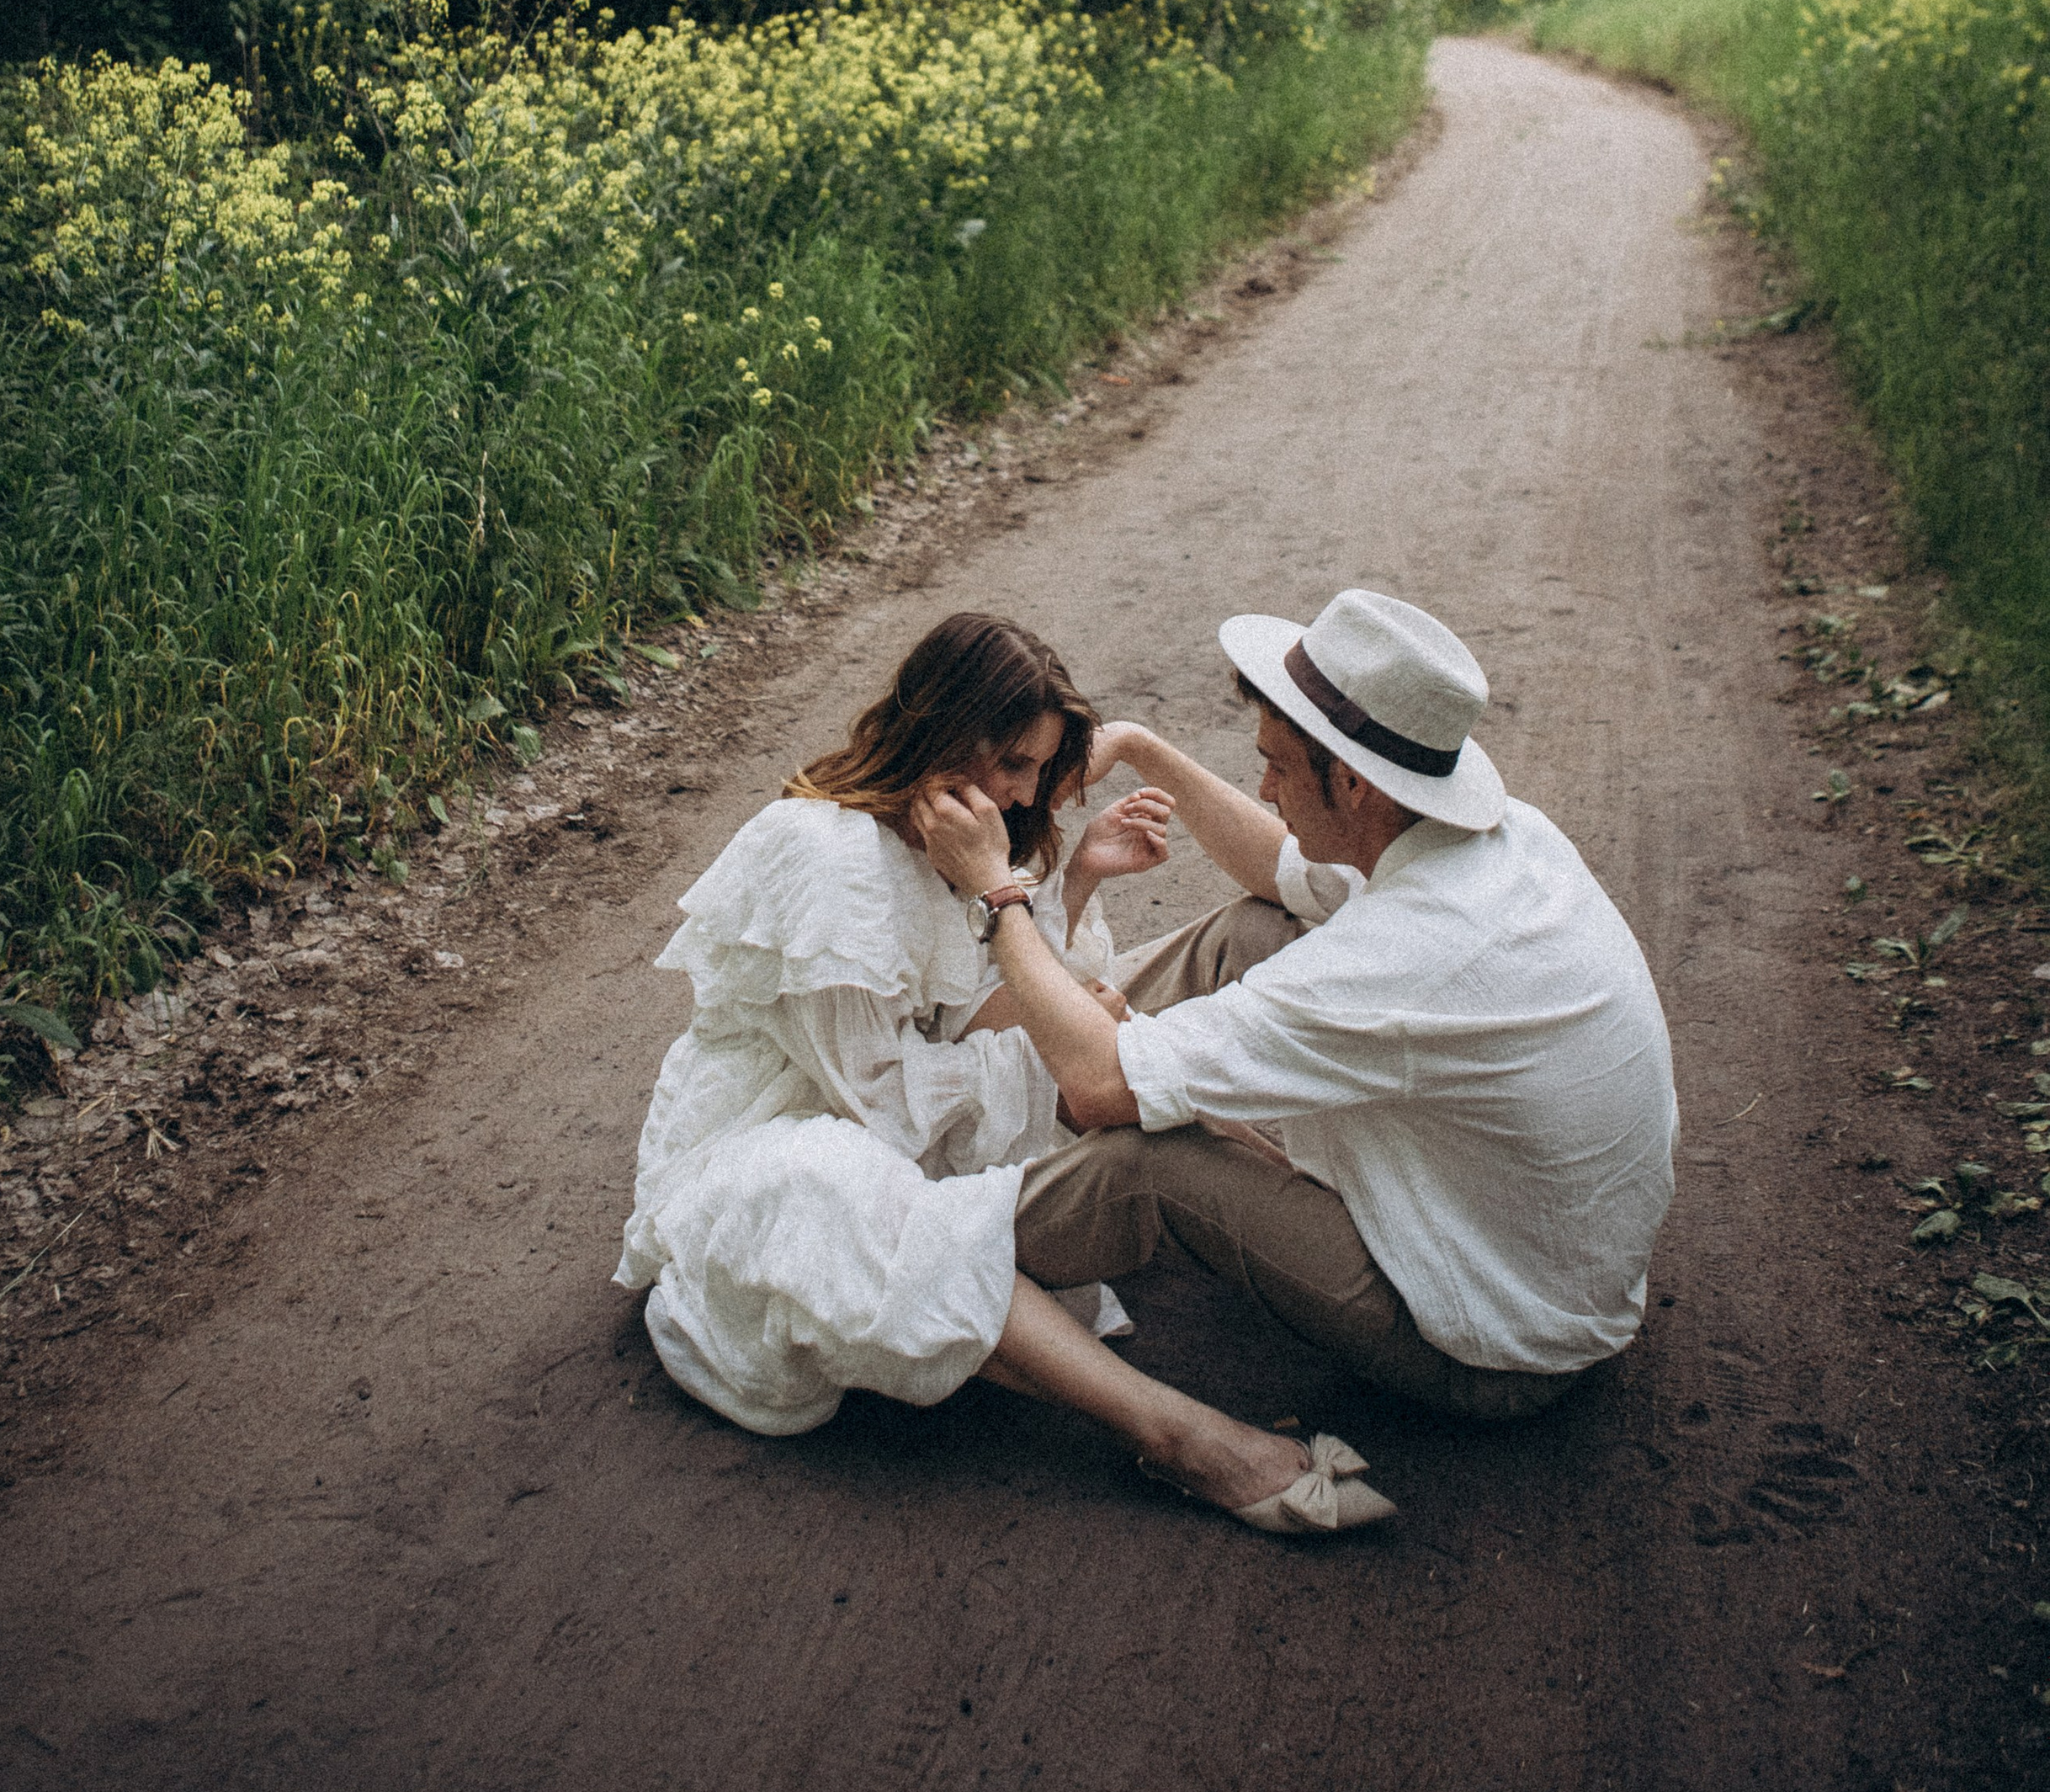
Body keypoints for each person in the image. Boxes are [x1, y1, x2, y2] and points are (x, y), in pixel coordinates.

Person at [614, 611, 1397, 1539]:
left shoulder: (948, 839)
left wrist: (1070, 896)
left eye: (1036, 769)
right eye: (1012, 764)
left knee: (1102, 1028)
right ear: (942, 730)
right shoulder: (822, 857)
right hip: (776, 1138)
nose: (1025, 796)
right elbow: (880, 1106)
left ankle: (1317, 1216)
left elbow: (962, 1007)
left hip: (896, 1115)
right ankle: (1183, 1436)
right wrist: (1051, 1031)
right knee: (836, 1180)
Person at [919, 589, 1679, 1443]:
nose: (1264, 785)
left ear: (1352, 784)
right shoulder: (1499, 839)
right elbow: (1282, 869)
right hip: (1542, 1260)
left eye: (1277, 765)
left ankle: (930, 1236)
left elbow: (1098, 1089)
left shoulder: (1405, 955)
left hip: (1494, 1348)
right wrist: (1140, 750)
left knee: (1148, 1160)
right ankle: (1035, 1045)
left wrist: (998, 891)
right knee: (1258, 929)